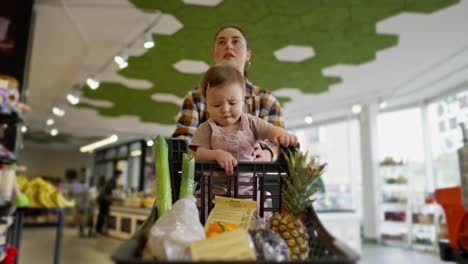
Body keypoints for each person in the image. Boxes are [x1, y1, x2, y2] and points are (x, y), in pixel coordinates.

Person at [173, 25, 284, 161]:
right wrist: (210, 155)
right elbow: (183, 141)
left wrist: (265, 155)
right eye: (221, 42)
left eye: (236, 41)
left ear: (248, 54)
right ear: (215, 54)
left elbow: (276, 140)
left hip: (253, 178)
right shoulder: (196, 97)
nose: (229, 46)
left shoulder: (267, 100)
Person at [189, 63, 298, 178]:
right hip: (216, 191)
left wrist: (282, 135)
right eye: (216, 105)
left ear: (243, 100)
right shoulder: (206, 128)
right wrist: (216, 154)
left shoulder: (252, 123)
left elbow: (270, 130)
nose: (225, 109)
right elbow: (197, 154)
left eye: (232, 103)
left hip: (250, 189)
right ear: (207, 105)